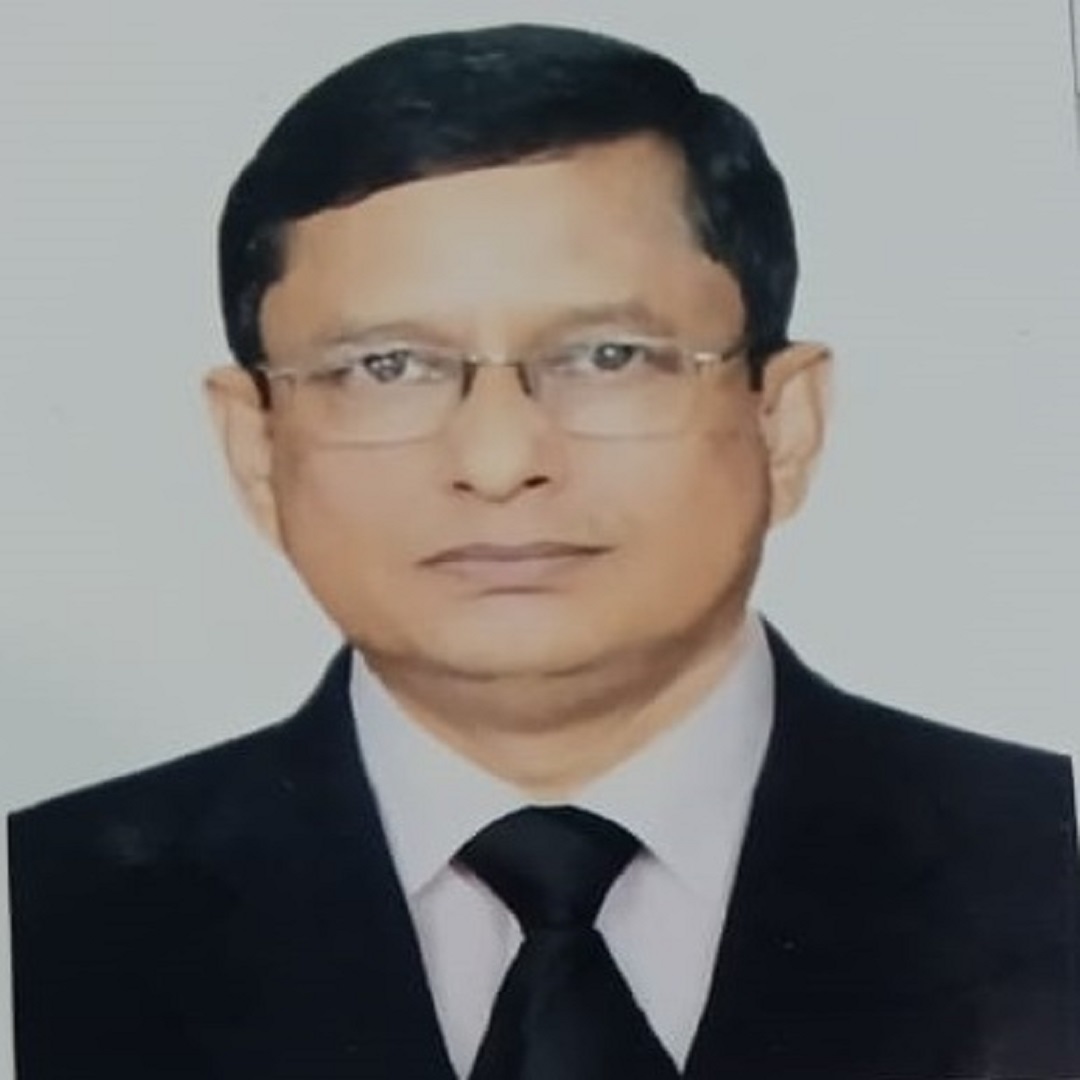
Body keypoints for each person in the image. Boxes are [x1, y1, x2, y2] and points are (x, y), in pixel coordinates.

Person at [8, 22, 1079, 1080]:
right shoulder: (48, 911)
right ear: (255, 446)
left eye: (607, 356)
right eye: (386, 368)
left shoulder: (1044, 853)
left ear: (783, 421)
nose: (498, 459)